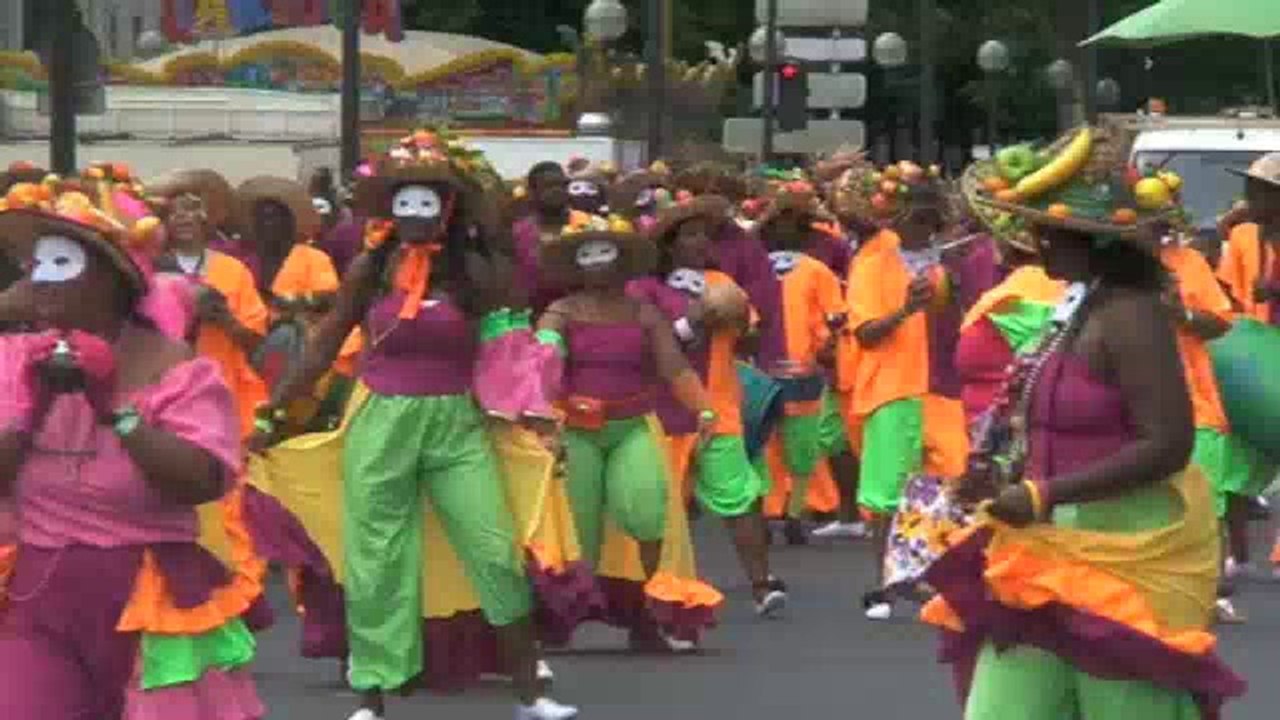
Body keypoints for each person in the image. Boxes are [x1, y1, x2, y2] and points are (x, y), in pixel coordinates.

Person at [253, 129, 579, 720]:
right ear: (389, 211)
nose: (414, 215)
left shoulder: (476, 273)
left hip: (458, 423)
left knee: (495, 552)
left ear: (447, 210)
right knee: (376, 559)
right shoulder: (368, 269)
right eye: (403, 203)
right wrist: (274, 409)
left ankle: (531, 693)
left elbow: (510, 352)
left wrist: (538, 421)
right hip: (381, 421)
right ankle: (371, 699)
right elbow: (324, 344)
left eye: (427, 203)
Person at [923, 123, 1247, 719]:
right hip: (1037, 555)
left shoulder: (1131, 316)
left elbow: (1168, 443)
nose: (1032, 240)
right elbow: (1032, 415)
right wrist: (993, 477)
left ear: (1092, 242)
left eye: (1048, 231)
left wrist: (1044, 492)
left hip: (1122, 562)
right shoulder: (1072, 306)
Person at [0, 181, 264, 719]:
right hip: (38, 594)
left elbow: (203, 481)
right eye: (37, 265)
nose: (40, 281)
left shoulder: (177, 369)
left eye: (61, 263)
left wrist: (114, 412)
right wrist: (32, 409)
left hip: (150, 598)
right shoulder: (15, 360)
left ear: (113, 279)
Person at [536, 210, 724, 652]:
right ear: (576, 264)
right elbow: (544, 356)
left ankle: (650, 615)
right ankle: (561, 617)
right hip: (576, 431)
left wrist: (706, 412)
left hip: (632, 426)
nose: (598, 262)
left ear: (622, 262)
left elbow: (674, 367)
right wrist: (546, 358)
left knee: (645, 511)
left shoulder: (644, 314)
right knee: (576, 527)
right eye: (588, 254)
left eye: (607, 253)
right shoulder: (560, 311)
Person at [629, 194, 787, 616]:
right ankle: (661, 593)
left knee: (739, 496)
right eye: (691, 235)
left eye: (706, 235)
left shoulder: (721, 282)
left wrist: (735, 319)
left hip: (719, 407)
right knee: (664, 508)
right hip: (666, 411)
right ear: (669, 245)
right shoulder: (644, 289)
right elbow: (644, 347)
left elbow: (749, 338)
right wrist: (692, 320)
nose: (702, 244)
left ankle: (761, 585)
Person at [842, 163, 969, 620]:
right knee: (887, 493)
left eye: (928, 215)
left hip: (943, 385)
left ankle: (930, 576)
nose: (922, 223)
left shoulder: (945, 260)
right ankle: (885, 583)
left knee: (951, 482)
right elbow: (865, 334)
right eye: (914, 214)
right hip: (893, 387)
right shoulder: (873, 261)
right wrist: (905, 310)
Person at [1216, 153, 1280, 578]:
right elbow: (1226, 293)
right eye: (1248, 188)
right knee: (1236, 459)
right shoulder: (1241, 236)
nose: (1248, 196)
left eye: (1259, 190)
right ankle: (1235, 555)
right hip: (1251, 361)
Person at [513, 162, 573, 314]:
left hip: (577, 319)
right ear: (532, 192)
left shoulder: (587, 225)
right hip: (533, 317)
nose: (557, 191)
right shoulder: (518, 232)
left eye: (562, 185)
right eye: (549, 186)